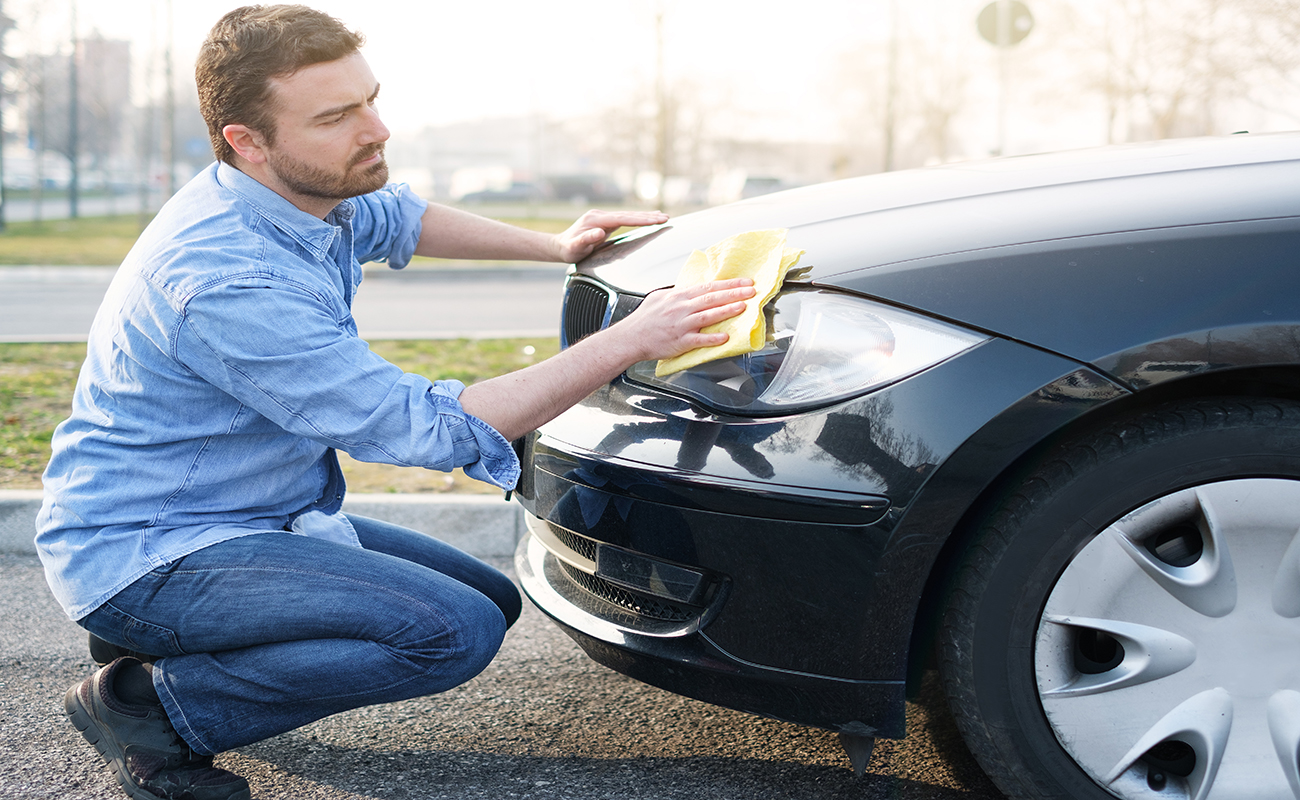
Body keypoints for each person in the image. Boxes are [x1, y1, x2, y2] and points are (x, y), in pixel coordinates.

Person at [36, 6, 755, 800]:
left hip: (244, 513)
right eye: (337, 116)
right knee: (452, 631)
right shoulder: (227, 280)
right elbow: (432, 426)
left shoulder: (292, 192)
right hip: (151, 550)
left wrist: (556, 245)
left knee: (489, 597)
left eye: (370, 99)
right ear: (247, 139)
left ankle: (163, 650)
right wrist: (629, 338)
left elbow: (398, 215)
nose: (375, 129)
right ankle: (153, 708)